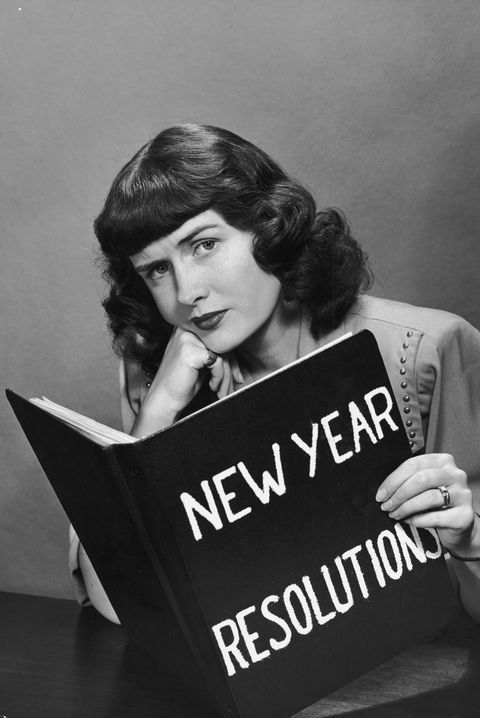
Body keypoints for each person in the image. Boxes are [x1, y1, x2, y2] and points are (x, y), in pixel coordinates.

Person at [70, 124, 480, 624]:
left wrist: (471, 539)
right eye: (156, 270)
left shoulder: (426, 352)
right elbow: (119, 605)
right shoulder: (157, 371)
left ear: (268, 225)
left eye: (203, 245)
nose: (185, 292)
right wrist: (158, 410)